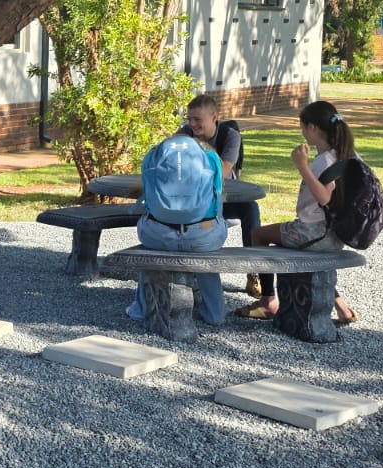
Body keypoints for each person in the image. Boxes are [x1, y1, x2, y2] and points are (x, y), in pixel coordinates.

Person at [238, 99, 359, 325]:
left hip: (315, 233)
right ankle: (342, 308)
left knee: (258, 235)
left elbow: (325, 198)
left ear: (312, 128)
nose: (302, 132)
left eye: (302, 127)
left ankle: (268, 301)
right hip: (336, 233)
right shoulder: (348, 154)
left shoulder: (325, 160)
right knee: (292, 249)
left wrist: (302, 166)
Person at [124, 131, 229, 326]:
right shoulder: (210, 157)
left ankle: (141, 308)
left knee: (148, 228)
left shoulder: (155, 156)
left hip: (158, 234)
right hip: (202, 234)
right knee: (215, 226)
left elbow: (148, 201)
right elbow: (218, 200)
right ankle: (215, 313)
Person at [180, 94, 270, 301]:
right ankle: (186, 272)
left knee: (250, 209)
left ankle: (254, 274)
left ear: (214, 117)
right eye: (189, 119)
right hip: (196, 201)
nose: (192, 124)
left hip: (226, 200)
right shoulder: (185, 133)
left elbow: (222, 171)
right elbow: (166, 155)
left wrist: (199, 147)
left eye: (197, 119)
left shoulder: (230, 136)